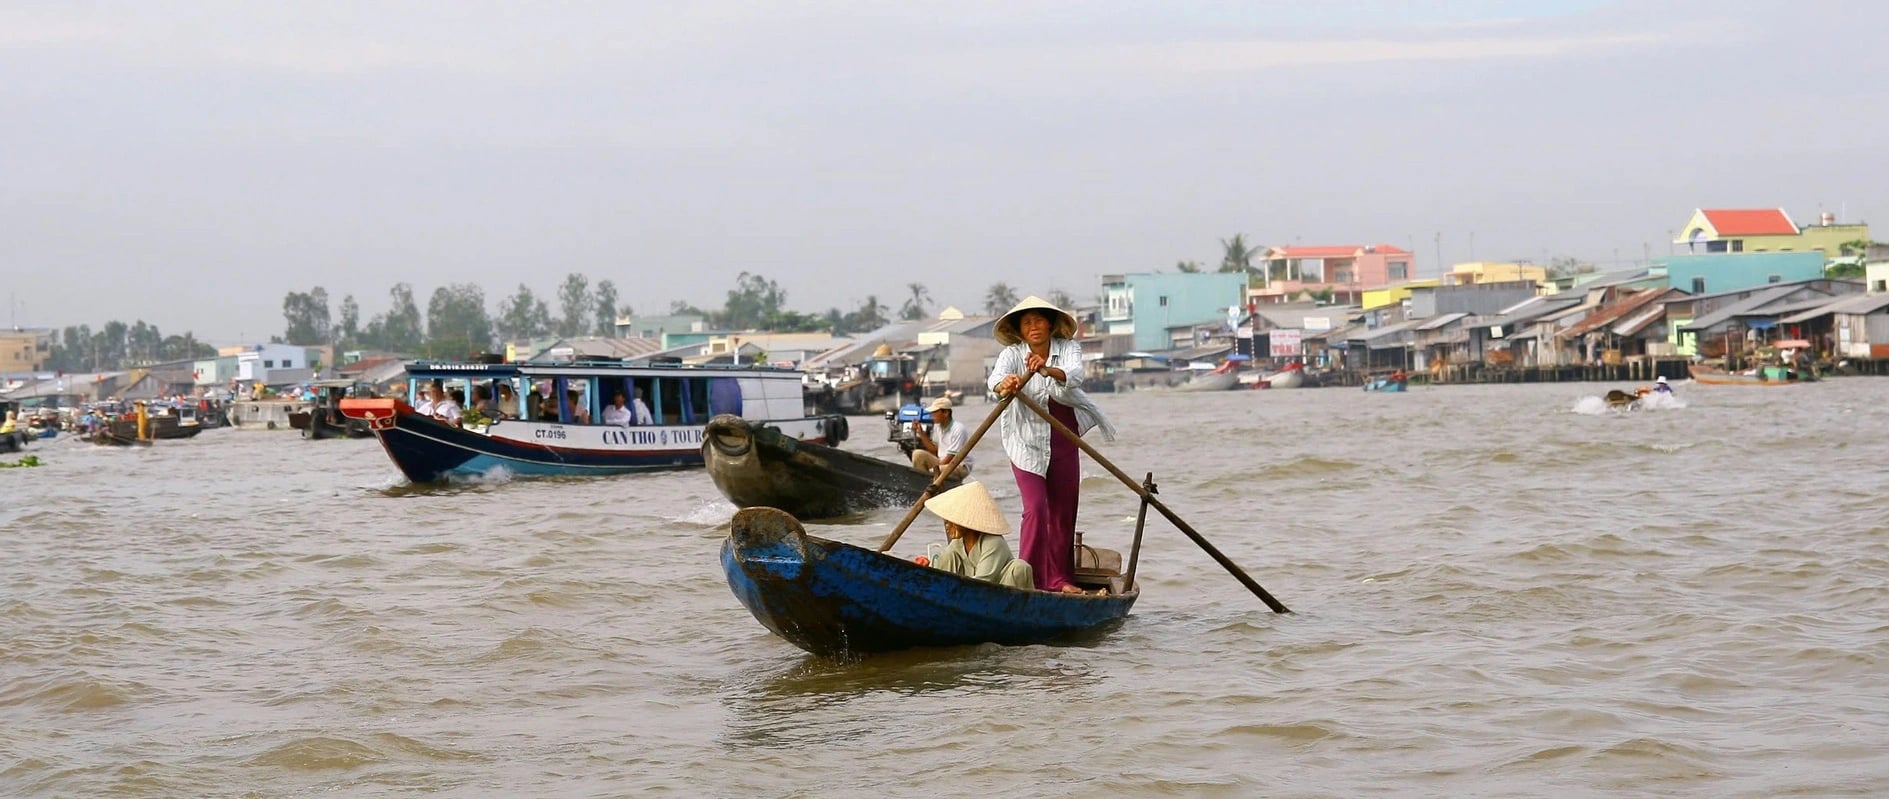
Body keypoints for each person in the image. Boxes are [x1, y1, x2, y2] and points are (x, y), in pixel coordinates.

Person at [986, 296, 1115, 594]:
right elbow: (995, 383)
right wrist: (1007, 384)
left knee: (1063, 510)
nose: (1033, 327)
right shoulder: (1012, 354)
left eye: (1039, 320)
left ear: (1050, 324)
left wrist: (1046, 369)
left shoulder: (1068, 348)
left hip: (1062, 433)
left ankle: (1059, 579)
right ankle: (1027, 579)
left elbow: (1074, 376)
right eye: (1027, 322)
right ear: (1019, 330)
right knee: (1035, 509)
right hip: (1025, 439)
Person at [922, 482, 1034, 591]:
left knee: (1019, 567)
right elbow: (939, 569)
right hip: (971, 591)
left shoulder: (993, 542)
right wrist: (925, 569)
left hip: (995, 593)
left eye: (951, 522)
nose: (947, 526)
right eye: (946, 522)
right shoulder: (958, 544)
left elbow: (983, 582)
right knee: (948, 557)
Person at [910, 396, 972, 480]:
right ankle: (922, 483)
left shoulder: (958, 429)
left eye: (934, 412)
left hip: (959, 465)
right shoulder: (938, 428)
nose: (931, 415)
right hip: (943, 462)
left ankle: (929, 485)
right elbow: (934, 450)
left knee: (934, 471)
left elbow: (952, 457)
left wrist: (934, 470)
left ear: (945, 413)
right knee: (917, 454)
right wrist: (920, 432)